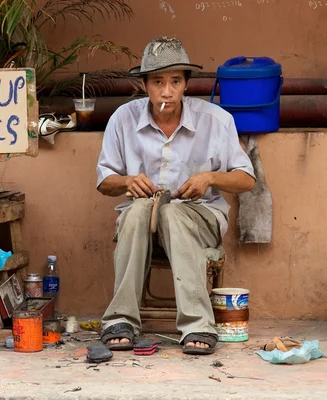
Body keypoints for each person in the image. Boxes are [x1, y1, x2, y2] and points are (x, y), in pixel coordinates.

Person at [96, 37, 256, 355]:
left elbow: (247, 180)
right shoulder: (122, 120)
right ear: (144, 85)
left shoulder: (216, 120)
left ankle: (198, 325)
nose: (166, 91)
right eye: (157, 82)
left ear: (185, 85)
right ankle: (120, 320)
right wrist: (127, 182)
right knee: (139, 210)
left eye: (175, 81)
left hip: (201, 219)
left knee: (173, 212)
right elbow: (105, 182)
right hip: (141, 227)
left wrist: (209, 178)